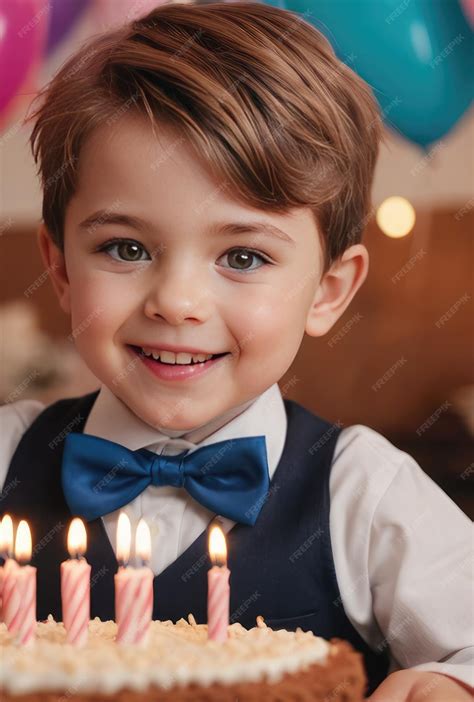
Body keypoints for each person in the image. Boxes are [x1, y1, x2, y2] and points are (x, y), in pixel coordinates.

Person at [1, 2, 471, 699]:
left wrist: (444, 683)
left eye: (244, 256)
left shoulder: (363, 492)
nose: (177, 301)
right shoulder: (8, 450)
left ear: (328, 291)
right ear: (62, 268)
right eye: (125, 248)